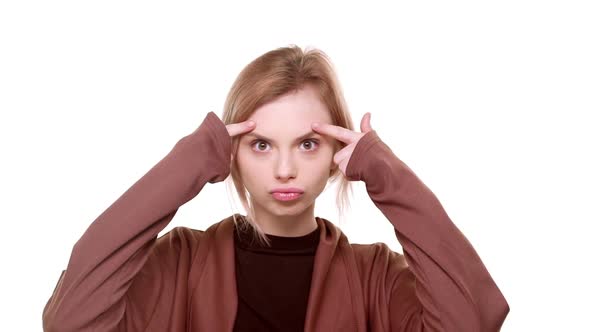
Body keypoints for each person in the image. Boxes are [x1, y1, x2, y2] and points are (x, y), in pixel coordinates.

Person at [42, 45, 510, 332]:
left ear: (334, 157)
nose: (285, 169)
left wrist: (388, 176)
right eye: (261, 145)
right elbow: (71, 321)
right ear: (231, 157)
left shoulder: (375, 278)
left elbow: (474, 321)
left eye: (308, 144)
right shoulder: (182, 262)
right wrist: (185, 165)